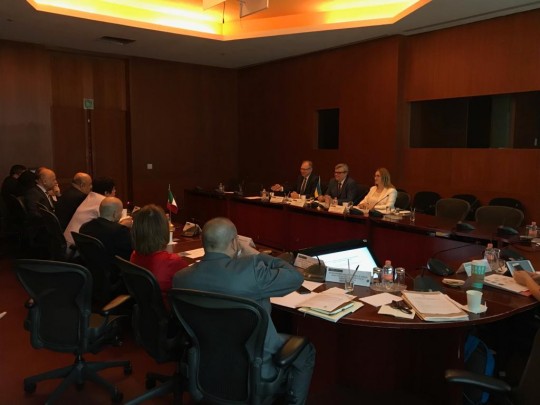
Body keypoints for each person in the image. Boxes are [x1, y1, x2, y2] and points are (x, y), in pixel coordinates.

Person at [172, 217, 315, 405]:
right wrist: (258, 256)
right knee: (306, 351)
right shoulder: (250, 271)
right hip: (254, 365)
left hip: (205, 365)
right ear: (234, 243)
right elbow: (295, 277)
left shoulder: (181, 278)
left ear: (203, 242)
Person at [131, 204, 188, 300]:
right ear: (164, 229)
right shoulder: (173, 261)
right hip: (169, 307)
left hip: (145, 305)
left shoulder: (134, 255)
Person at [64, 177, 130, 247]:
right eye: (113, 189)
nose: (115, 191)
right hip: (76, 246)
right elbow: (109, 227)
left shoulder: (90, 196)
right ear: (106, 192)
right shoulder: (103, 202)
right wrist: (122, 225)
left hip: (71, 241)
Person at [79, 196, 132, 261]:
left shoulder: (85, 227)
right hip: (113, 266)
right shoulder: (121, 231)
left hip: (89, 264)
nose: (121, 214)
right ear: (114, 214)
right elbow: (131, 252)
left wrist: (119, 225)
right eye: (120, 212)